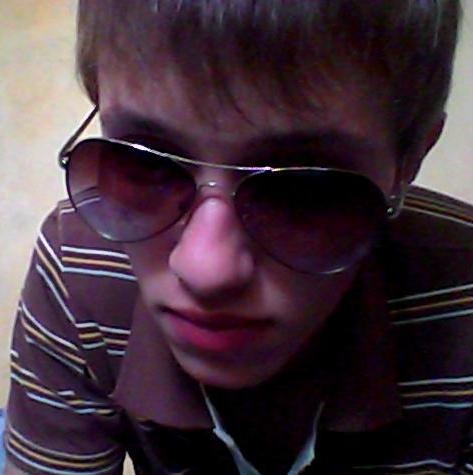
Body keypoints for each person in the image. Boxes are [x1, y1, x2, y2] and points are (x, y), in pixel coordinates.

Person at [4, 1, 473, 474]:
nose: (206, 269)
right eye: (145, 162)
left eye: (305, 188)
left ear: (409, 161)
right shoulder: (76, 262)